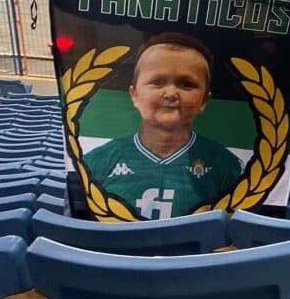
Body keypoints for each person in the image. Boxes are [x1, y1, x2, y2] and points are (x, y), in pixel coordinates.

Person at [81, 32, 242, 220]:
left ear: (204, 100)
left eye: (186, 84)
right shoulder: (96, 162)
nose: (171, 93)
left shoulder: (226, 165)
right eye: (157, 82)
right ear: (134, 95)